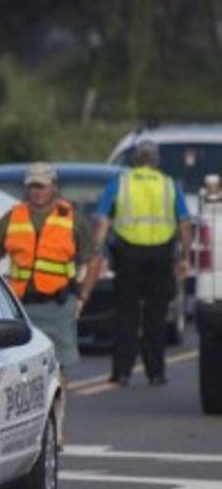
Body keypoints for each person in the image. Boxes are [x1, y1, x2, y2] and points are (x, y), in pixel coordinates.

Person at [88, 140, 193, 386]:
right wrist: (184, 256)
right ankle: (156, 372)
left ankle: (122, 371)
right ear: (156, 160)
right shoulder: (169, 185)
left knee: (126, 313)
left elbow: (103, 221)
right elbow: (185, 225)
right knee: (156, 314)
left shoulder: (120, 183)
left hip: (128, 253)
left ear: (135, 159)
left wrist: (96, 252)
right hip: (160, 254)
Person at [0, 162, 98, 385]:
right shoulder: (12, 218)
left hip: (58, 306)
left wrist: (83, 297)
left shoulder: (72, 219)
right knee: (18, 366)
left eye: (42, 186)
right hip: (20, 307)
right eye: (33, 186)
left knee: (57, 368)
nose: (37, 191)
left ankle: (56, 410)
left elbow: (94, 259)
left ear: (54, 187)